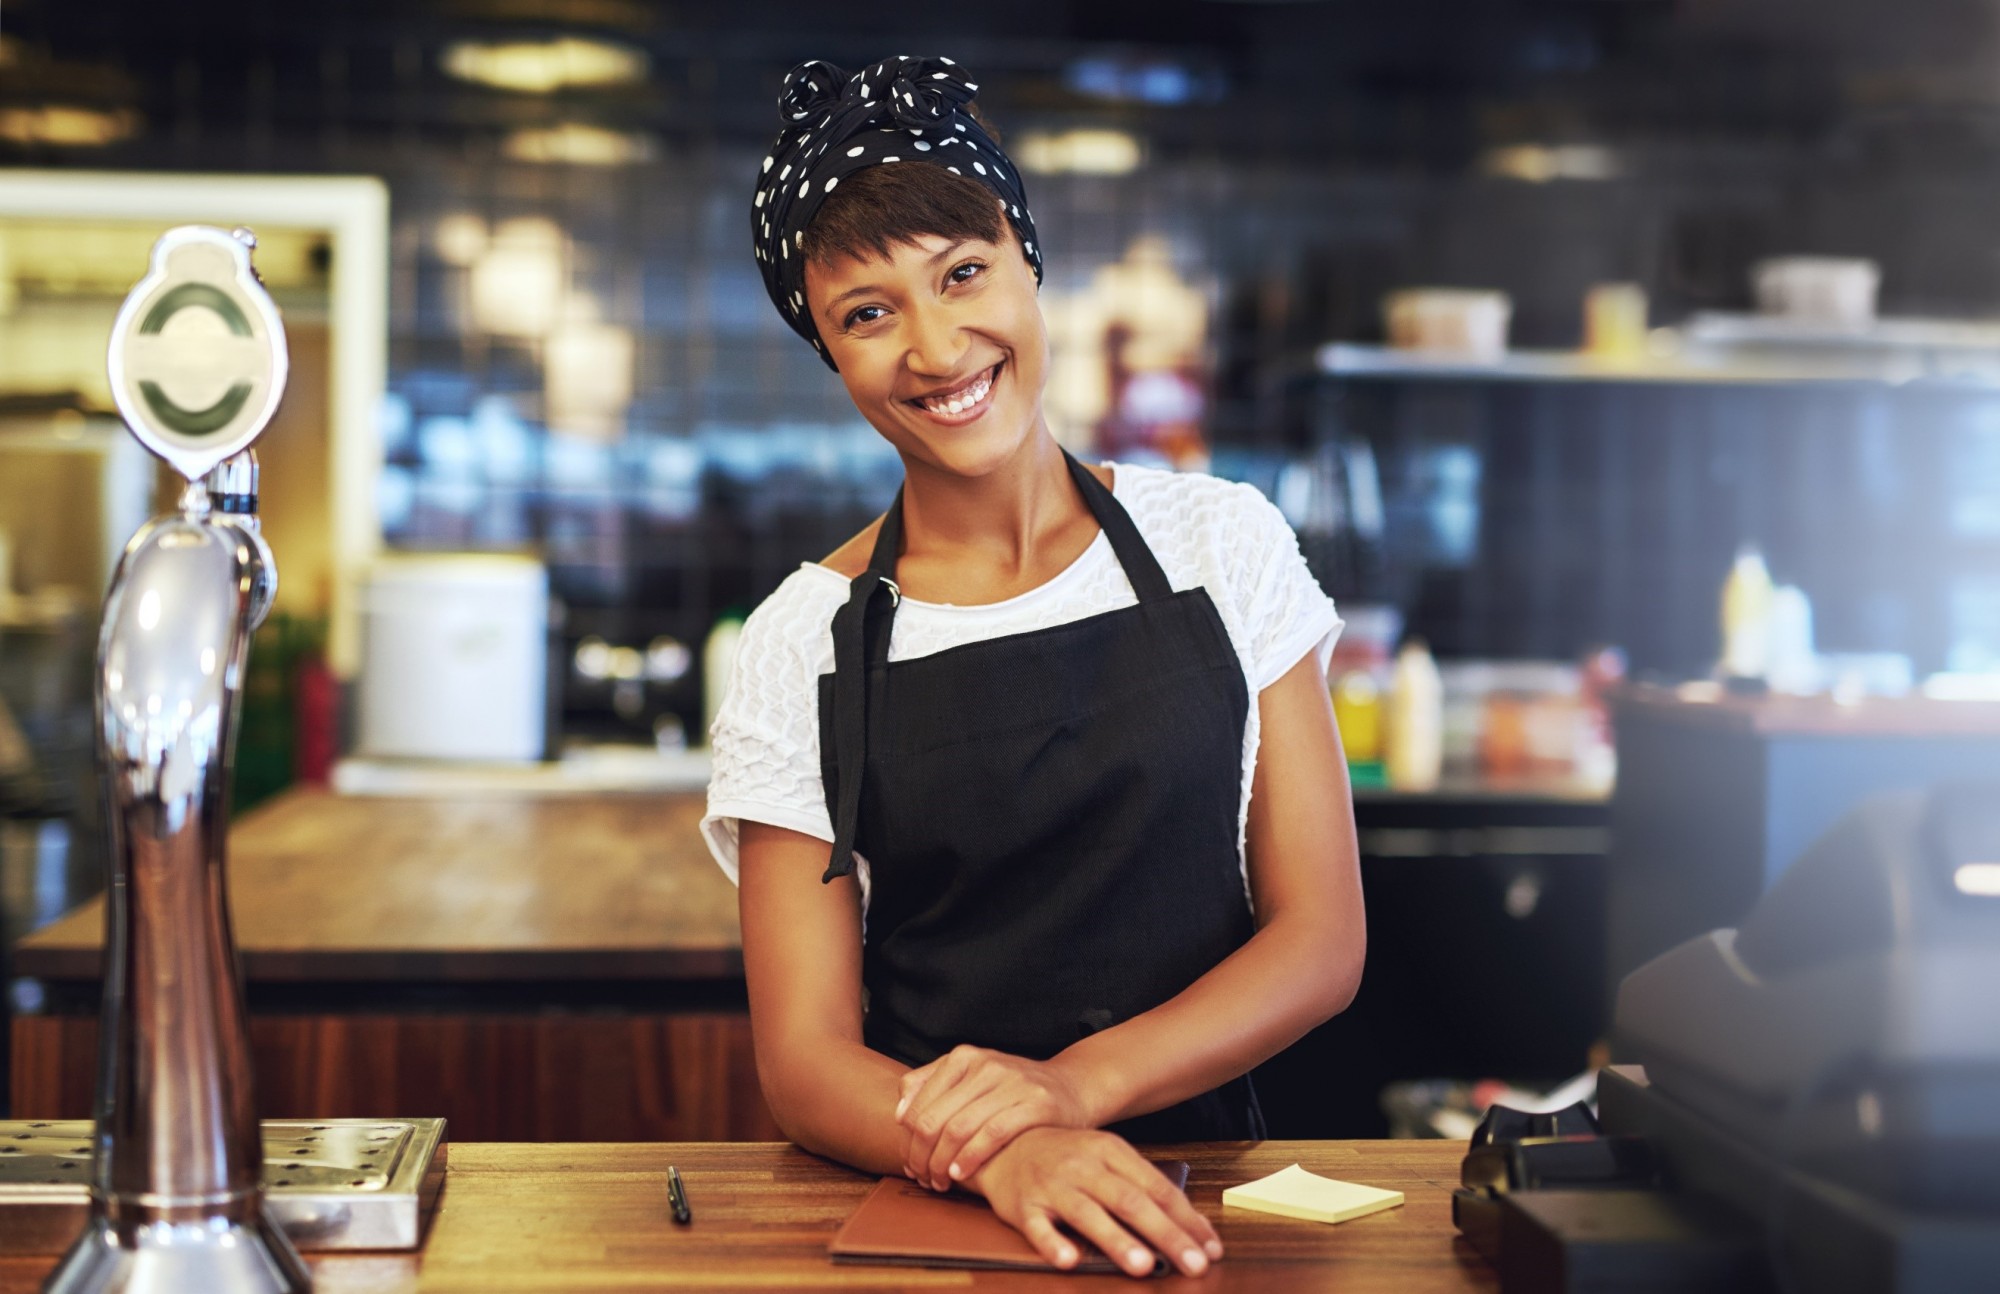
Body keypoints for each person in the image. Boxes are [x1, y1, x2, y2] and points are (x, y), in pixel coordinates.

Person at [703, 55, 1365, 1280]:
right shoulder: (804, 639)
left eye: (962, 274)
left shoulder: (1221, 543)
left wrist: (1061, 1096)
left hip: (1206, 1206)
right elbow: (804, 1065)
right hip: (932, 1200)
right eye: (867, 312)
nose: (936, 345)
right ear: (829, 354)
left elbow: (1318, 938)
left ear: (1026, 257)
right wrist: (998, 1156)